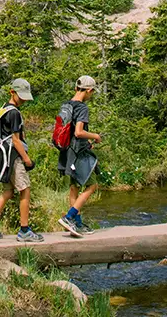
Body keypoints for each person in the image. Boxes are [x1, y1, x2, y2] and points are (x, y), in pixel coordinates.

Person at [0, 78, 43, 243]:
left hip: (3, 156)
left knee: (8, 192)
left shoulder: (4, 109)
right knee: (25, 190)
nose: (23, 100)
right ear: (12, 92)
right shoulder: (14, 113)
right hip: (13, 157)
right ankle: (24, 230)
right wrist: (27, 160)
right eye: (21, 96)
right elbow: (16, 140)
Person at [57, 75, 102, 237]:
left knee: (74, 187)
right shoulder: (82, 108)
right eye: (92, 92)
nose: (91, 95)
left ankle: (77, 224)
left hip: (67, 151)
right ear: (88, 90)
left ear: (76, 88)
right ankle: (69, 217)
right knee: (92, 185)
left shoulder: (66, 104)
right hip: (78, 153)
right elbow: (78, 132)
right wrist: (95, 136)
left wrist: (86, 141)